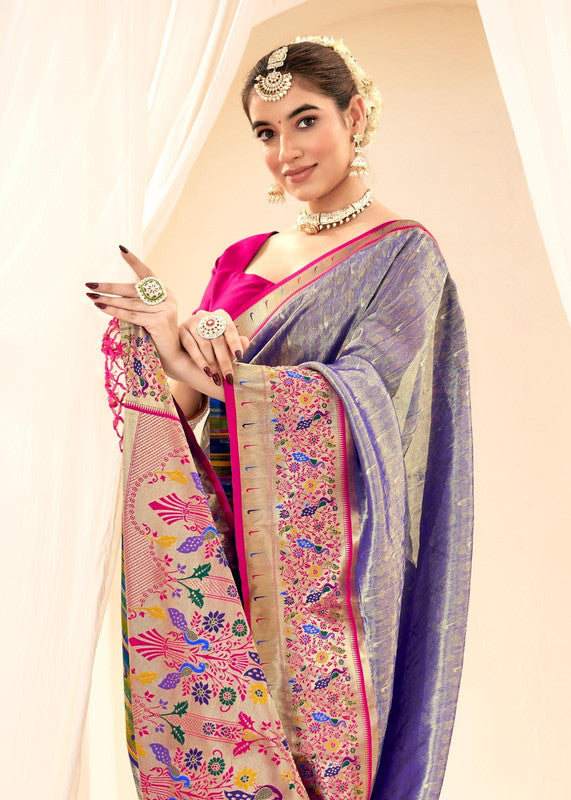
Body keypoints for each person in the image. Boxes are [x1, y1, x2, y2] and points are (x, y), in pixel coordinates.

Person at [91, 36, 473, 800]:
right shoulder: (241, 257)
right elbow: (189, 407)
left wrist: (213, 365)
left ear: (353, 116)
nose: (285, 152)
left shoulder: (404, 257)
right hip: (220, 555)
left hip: (326, 583)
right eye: (266, 132)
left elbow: (365, 401)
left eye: (304, 121)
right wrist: (168, 335)